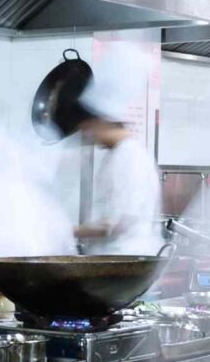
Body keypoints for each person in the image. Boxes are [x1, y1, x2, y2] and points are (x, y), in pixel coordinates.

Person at [69, 63, 164, 255]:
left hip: (125, 261)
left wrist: (67, 231)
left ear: (101, 121)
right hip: (110, 261)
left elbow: (120, 223)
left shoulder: (131, 158)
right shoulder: (116, 154)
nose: (86, 134)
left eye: (87, 127)